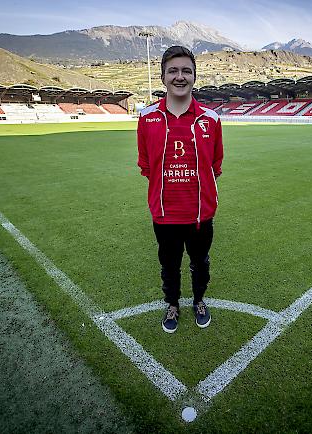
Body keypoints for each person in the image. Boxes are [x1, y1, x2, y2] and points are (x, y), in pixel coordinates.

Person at [137, 46, 224, 333]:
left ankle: (199, 300)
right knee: (169, 266)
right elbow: (147, 166)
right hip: (164, 214)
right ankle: (172, 304)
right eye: (173, 70)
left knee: (201, 264)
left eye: (186, 70)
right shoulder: (147, 118)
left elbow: (215, 166)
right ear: (163, 77)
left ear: (194, 77)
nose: (180, 76)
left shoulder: (210, 119)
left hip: (200, 214)